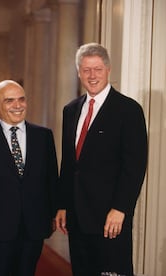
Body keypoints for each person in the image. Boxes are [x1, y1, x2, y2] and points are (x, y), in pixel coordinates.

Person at [55, 43, 148, 276]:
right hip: (77, 215)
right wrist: (63, 204)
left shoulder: (128, 110)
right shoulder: (70, 110)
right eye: (86, 70)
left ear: (108, 70)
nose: (92, 75)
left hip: (110, 216)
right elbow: (69, 164)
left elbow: (134, 166)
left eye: (97, 69)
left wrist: (120, 208)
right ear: (79, 72)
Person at [0, 80, 58, 276]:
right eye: (9, 101)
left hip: (34, 223)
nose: (17, 105)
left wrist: (54, 212)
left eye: (21, 99)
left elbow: (51, 178)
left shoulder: (44, 136)